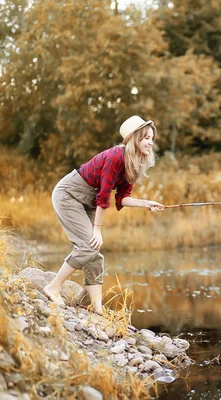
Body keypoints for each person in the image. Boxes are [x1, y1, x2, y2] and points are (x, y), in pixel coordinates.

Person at [43, 116, 165, 315]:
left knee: (95, 254)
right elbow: (104, 195)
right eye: (145, 138)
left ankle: (97, 309)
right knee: (87, 246)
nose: (150, 142)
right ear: (134, 139)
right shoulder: (116, 157)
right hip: (69, 195)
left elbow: (122, 198)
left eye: (151, 138)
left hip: (89, 202)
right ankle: (53, 287)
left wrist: (145, 203)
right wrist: (97, 230)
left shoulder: (133, 163)